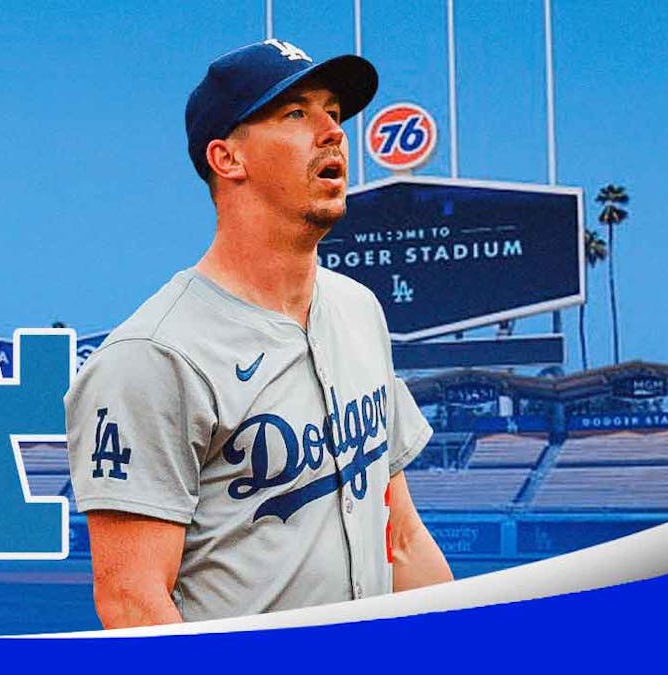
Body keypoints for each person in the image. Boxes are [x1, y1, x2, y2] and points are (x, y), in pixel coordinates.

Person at [63, 38, 453, 628]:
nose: (332, 132)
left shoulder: (358, 310)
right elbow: (131, 601)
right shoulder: (154, 357)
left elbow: (401, 537)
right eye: (296, 113)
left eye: (333, 112)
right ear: (227, 159)